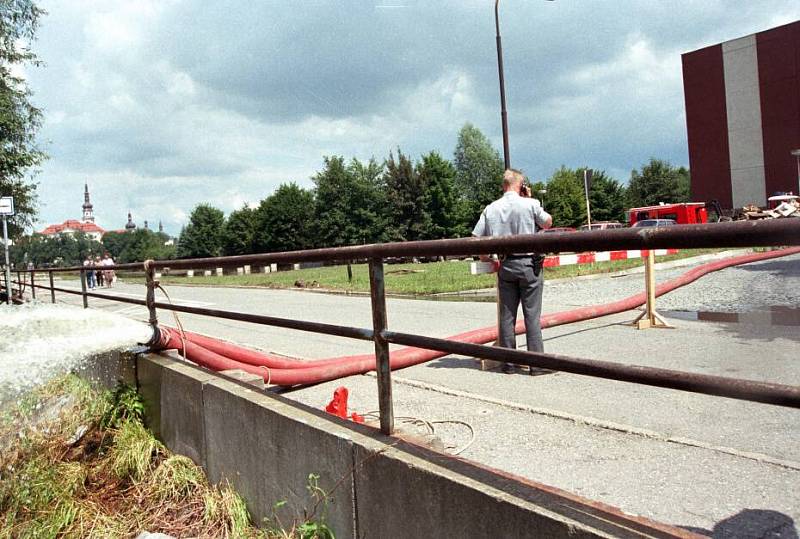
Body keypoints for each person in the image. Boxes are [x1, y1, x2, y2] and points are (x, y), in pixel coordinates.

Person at [472, 168, 552, 374]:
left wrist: (487, 258)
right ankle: (537, 365)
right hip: (529, 265)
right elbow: (548, 223)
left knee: (507, 317)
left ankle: (508, 363)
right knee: (532, 316)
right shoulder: (530, 204)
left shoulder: (491, 208)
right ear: (521, 184)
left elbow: (476, 239)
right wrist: (531, 199)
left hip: (506, 266)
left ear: (503, 185)